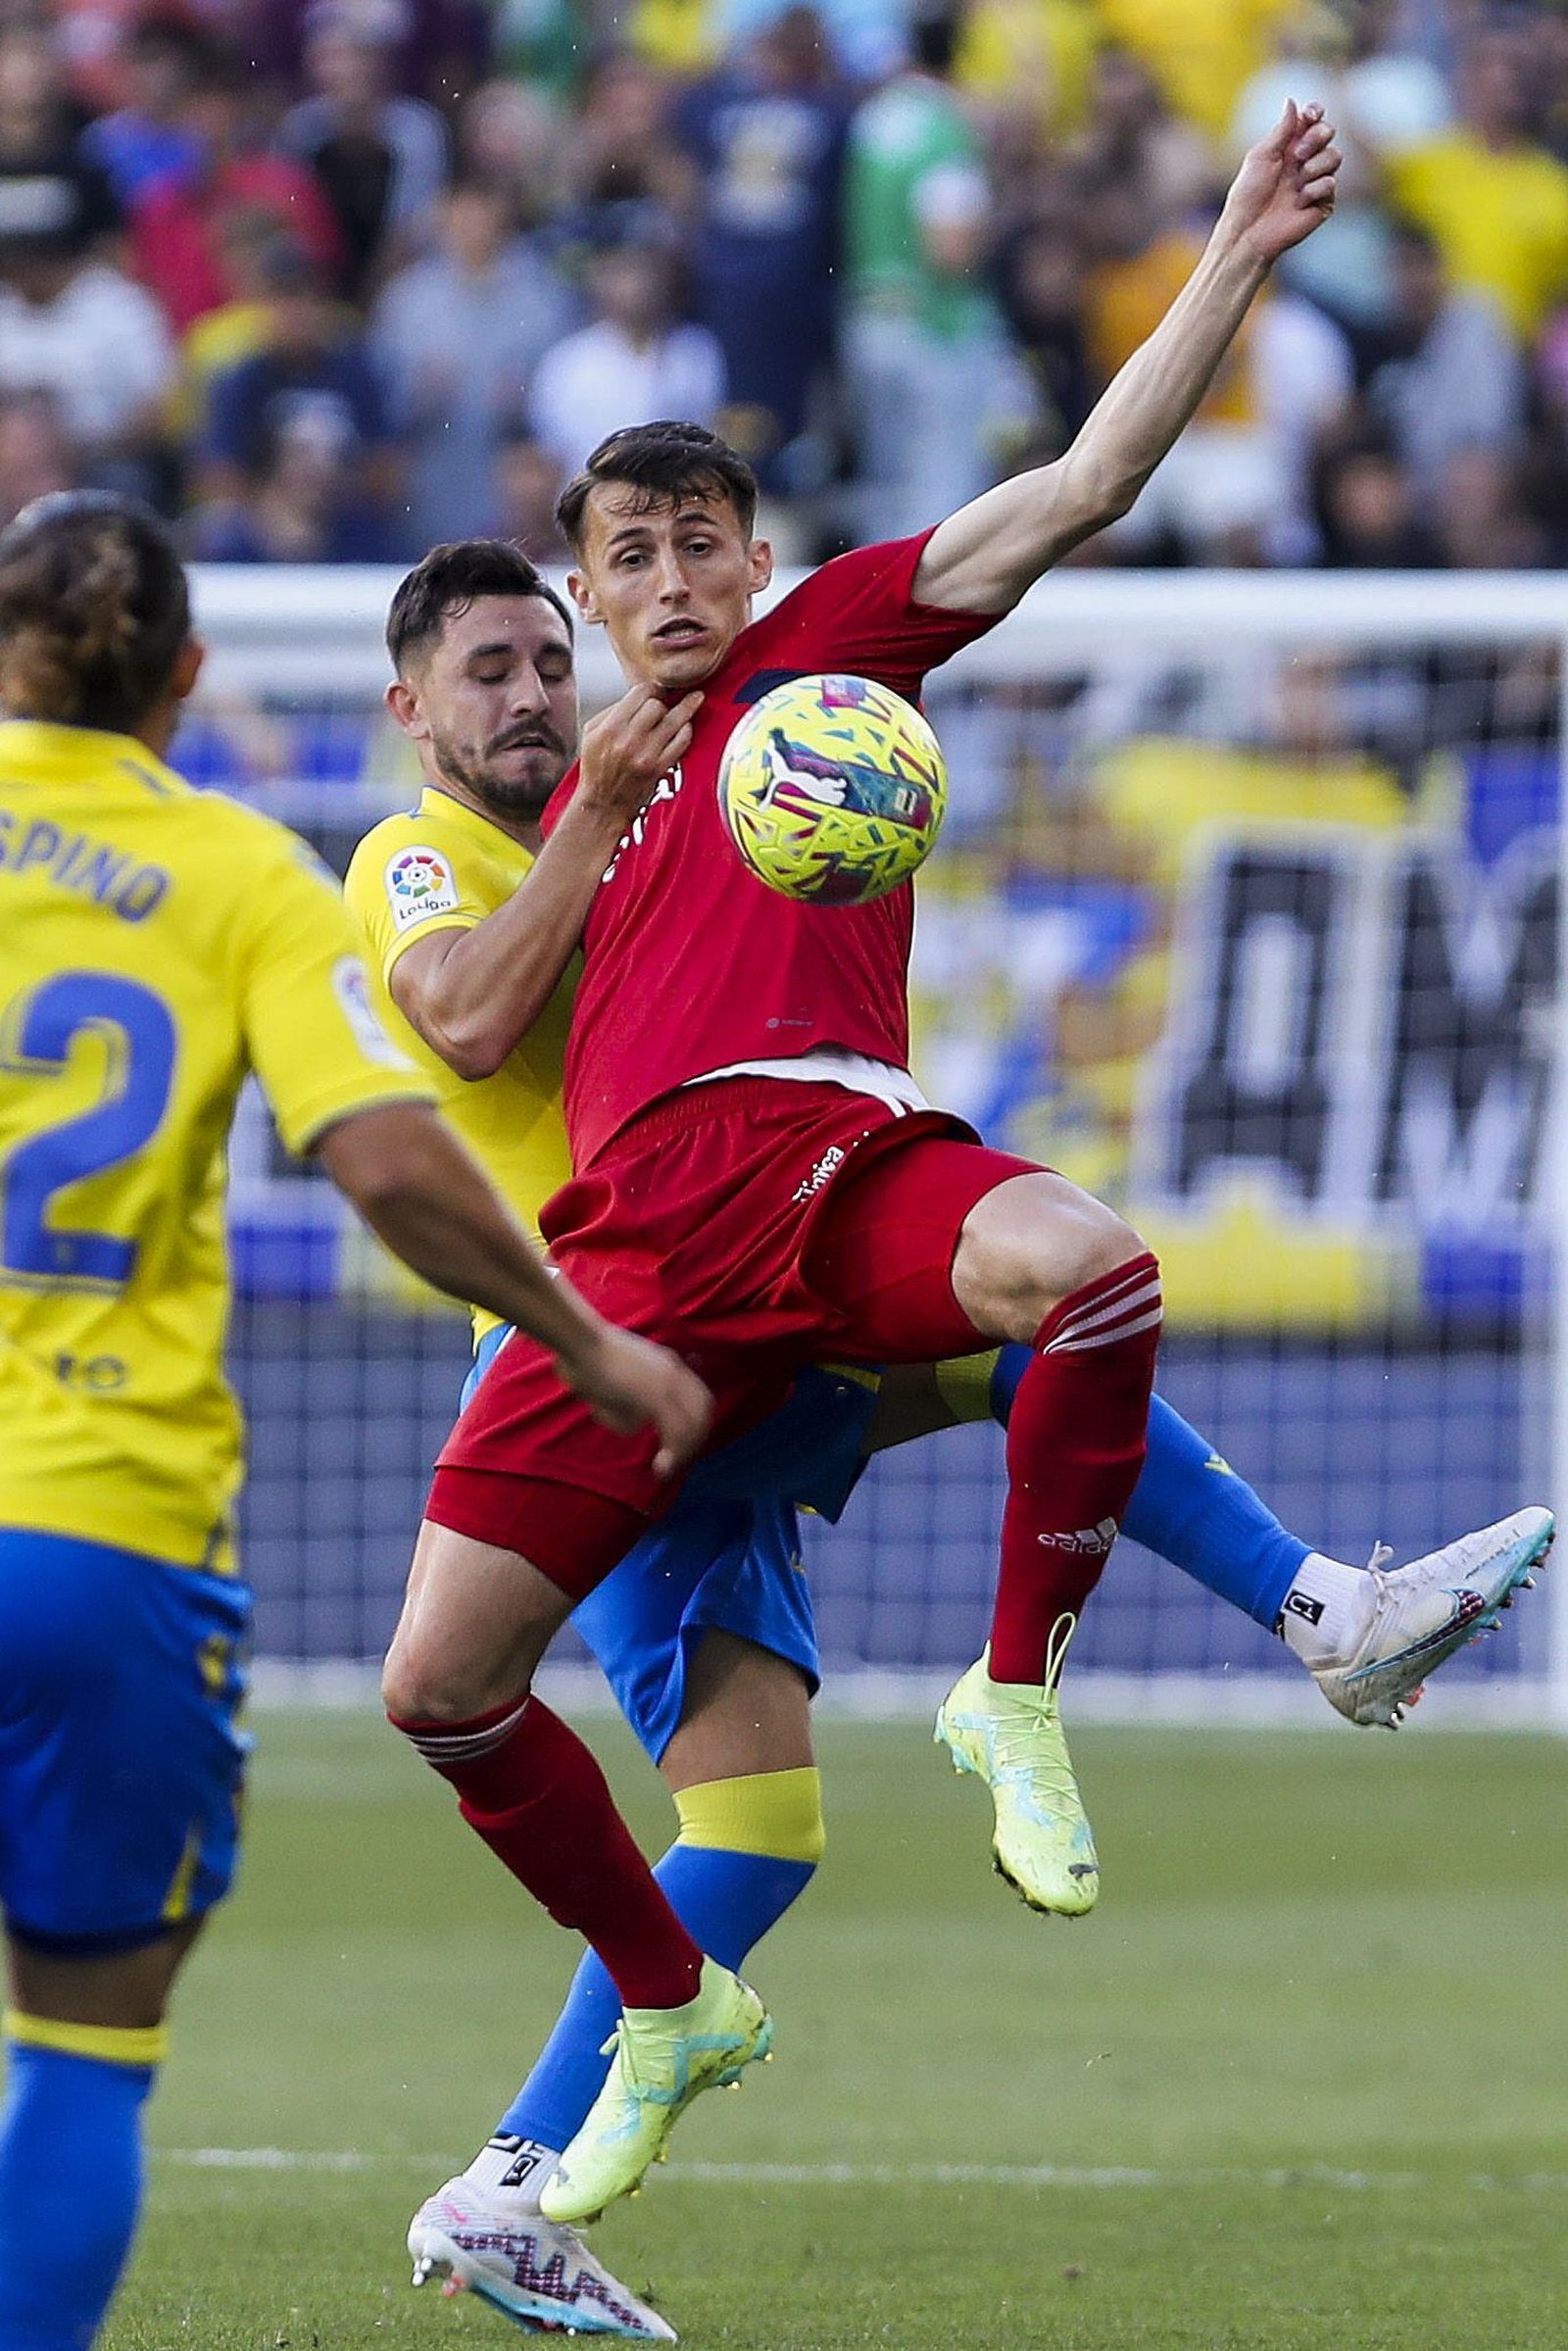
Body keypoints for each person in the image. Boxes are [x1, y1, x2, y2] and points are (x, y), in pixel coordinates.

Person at [348, 536, 1551, 2335]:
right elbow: (462, 1016)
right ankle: (1313, 1621)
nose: (531, 698)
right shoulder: (424, 857)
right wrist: (606, 815)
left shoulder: (678, 808)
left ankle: (508, 2186)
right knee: (973, 1393)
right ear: (412, 710)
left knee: (784, 1789)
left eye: (545, 664)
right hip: (608, 1370)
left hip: (741, 1319)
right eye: (488, 674)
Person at [378, 103, 1368, 2236]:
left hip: (829, 1163)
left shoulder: (821, 654)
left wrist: (1230, 249)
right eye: (618, 561)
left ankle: (1022, 1689)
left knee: (1087, 1279)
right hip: (630, 1258)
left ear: (752, 560)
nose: (662, 585)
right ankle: (652, 2018)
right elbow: (458, 1017)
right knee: (438, 1692)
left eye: (693, 547)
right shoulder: (551, 801)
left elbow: (1083, 489)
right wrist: (589, 799)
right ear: (577, 594)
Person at [0, 490, 710, 2351]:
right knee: (82, 2051)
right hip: (103, 1532)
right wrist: (583, 1335)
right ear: (190, 678)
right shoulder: (241, 874)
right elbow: (391, 1153)